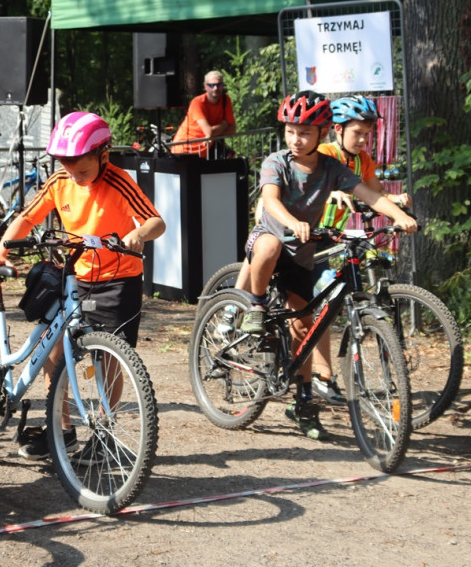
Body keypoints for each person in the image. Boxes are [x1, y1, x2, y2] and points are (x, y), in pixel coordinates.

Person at [0, 111, 165, 459]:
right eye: (68, 169)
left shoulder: (119, 181)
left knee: (107, 360)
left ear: (103, 156)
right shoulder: (59, 182)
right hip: (76, 277)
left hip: (118, 279)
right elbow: (27, 217)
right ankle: (61, 432)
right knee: (53, 355)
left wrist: (138, 234)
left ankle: (106, 434)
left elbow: (156, 221)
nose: (75, 178)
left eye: (83, 170)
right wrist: (0, 253)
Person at [240, 91, 417, 440]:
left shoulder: (332, 167)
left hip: (302, 254)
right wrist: (292, 222)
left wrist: (399, 216)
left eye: (305, 133)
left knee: (305, 327)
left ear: (322, 134)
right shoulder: (277, 161)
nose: (296, 139)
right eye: (291, 131)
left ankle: (304, 403)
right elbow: (270, 200)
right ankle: (256, 304)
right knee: (270, 243)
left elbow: (370, 195)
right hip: (271, 240)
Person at [308, 95, 412, 403]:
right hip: (303, 235)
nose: (365, 139)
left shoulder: (362, 160)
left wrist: (398, 205)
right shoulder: (323, 153)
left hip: (331, 239)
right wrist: (332, 192)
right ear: (337, 130)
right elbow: (312, 184)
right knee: (320, 302)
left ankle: (321, 373)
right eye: (358, 133)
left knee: (330, 299)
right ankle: (321, 376)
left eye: (368, 133)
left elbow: (375, 192)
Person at [171, 70, 236, 159]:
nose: (215, 88)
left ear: (223, 86)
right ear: (205, 86)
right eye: (212, 85)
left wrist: (212, 136)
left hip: (204, 152)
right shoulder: (197, 103)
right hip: (184, 150)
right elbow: (209, 132)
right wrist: (224, 124)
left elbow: (232, 129)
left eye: (219, 85)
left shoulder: (226, 100)